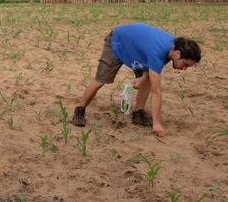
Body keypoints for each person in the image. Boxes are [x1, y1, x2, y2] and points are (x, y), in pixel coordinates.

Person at [71, 22, 201, 137]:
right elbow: (156, 92)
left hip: (137, 48)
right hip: (118, 41)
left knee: (149, 80)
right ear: (177, 53)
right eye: (186, 65)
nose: (184, 69)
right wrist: (157, 123)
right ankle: (80, 110)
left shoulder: (174, 47)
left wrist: (143, 78)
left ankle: (138, 113)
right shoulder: (159, 51)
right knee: (101, 80)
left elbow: (152, 63)